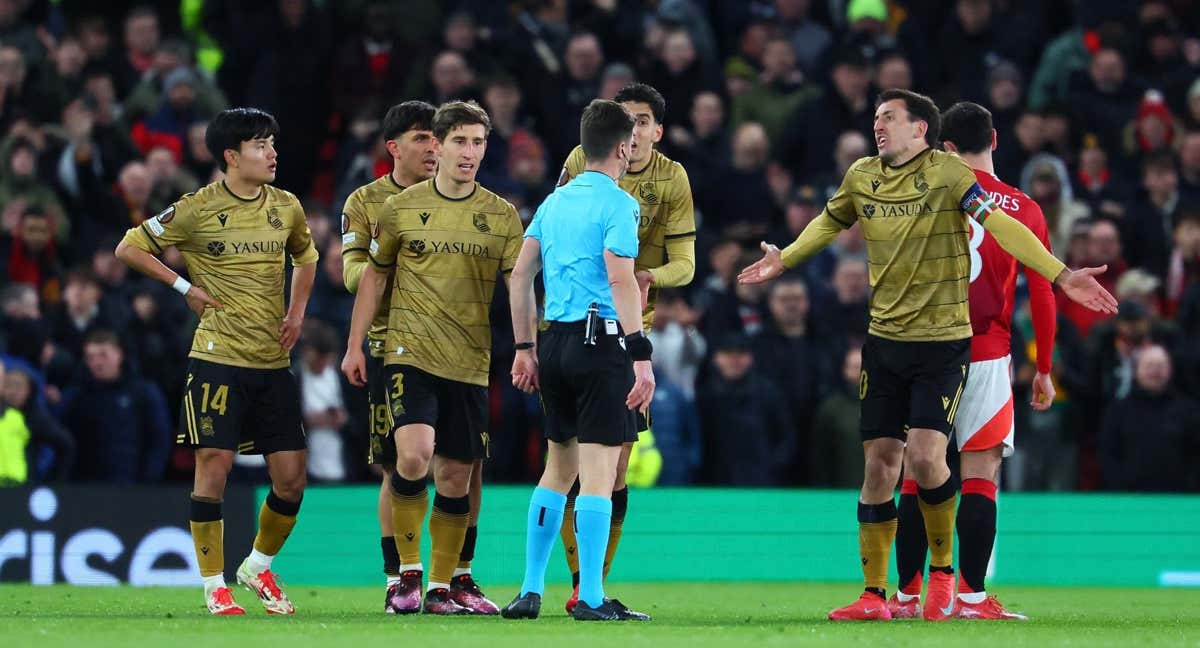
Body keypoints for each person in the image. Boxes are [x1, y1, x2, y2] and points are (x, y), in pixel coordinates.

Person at [738, 89, 1116, 622]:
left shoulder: (948, 174)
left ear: (922, 129)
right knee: (878, 468)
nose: (878, 125)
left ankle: (941, 577)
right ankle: (877, 596)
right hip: (884, 342)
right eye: (874, 117)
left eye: (889, 117)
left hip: (944, 343)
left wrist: (1059, 271)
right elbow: (830, 221)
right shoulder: (862, 175)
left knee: (923, 460)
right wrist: (787, 258)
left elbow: (1001, 225)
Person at [115, 108, 319, 616]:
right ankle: (213, 586)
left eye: (273, 144)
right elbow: (130, 246)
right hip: (217, 357)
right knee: (214, 466)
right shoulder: (197, 208)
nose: (272, 153)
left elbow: (307, 257)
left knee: (292, 478)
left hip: (272, 361)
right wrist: (185, 286)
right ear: (231, 156)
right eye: (260, 146)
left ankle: (256, 566)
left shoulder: (287, 206)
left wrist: (296, 312)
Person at [340, 100, 522, 615]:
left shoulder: (500, 214)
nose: (470, 152)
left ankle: (448, 584)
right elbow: (368, 275)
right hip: (402, 350)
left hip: (468, 358)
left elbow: (518, 284)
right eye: (460, 141)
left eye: (478, 142)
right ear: (438, 146)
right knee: (410, 457)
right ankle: (404, 574)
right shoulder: (390, 207)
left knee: (461, 474)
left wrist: (533, 342)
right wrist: (354, 345)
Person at [889, 101, 1058, 621]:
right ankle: (970, 597)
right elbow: (1044, 293)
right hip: (987, 352)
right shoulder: (1024, 209)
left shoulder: (932, 197)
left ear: (945, 149)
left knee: (920, 472)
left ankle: (906, 594)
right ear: (996, 140)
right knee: (980, 473)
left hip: (925, 347)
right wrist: (1045, 368)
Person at [502, 98, 654, 622]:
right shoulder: (619, 204)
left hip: (555, 342)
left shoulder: (554, 202)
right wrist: (641, 354)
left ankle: (529, 589)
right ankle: (589, 595)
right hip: (601, 342)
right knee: (596, 473)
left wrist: (525, 348)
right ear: (622, 147)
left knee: (556, 468)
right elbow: (620, 278)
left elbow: (520, 277)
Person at [554, 82, 696, 613]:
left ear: (658, 131)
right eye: (625, 121)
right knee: (567, 460)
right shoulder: (581, 162)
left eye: (642, 121)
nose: (632, 131)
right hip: (576, 327)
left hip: (630, 331)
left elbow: (688, 262)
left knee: (613, 466)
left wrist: (647, 276)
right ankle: (577, 583)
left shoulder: (673, 178)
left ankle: (588, 584)